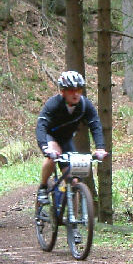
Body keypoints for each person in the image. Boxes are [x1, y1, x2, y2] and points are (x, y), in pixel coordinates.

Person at [35, 71, 108, 203]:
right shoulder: (53, 104)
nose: (76, 94)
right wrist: (45, 148)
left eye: (79, 90)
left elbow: (95, 125)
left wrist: (100, 148)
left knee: (73, 181)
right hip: (51, 137)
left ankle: (72, 221)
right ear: (63, 91)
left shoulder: (85, 105)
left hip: (67, 140)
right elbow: (41, 125)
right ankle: (43, 187)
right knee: (52, 155)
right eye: (71, 90)